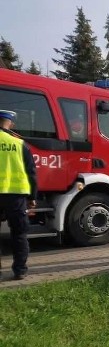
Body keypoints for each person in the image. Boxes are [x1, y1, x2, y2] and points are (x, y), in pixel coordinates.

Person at [0, 110, 37, 280]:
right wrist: (32, 197)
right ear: (11, 124)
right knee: (19, 234)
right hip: (15, 196)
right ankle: (20, 270)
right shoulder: (19, 144)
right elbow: (31, 173)